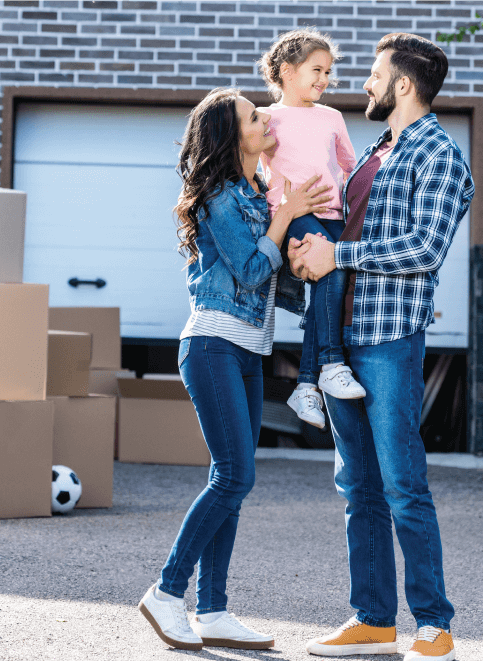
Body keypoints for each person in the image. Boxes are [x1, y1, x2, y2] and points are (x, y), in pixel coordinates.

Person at [289, 33, 474, 661]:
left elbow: (424, 250)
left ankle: (433, 623)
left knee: (401, 483)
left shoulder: (440, 156)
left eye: (373, 74)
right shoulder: (375, 149)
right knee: (357, 486)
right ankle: (372, 619)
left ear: (402, 84)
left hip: (388, 337)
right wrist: (308, 250)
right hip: (339, 337)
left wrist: (338, 253)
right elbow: (339, 228)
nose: (362, 84)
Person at [138, 87, 330, 652]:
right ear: (232, 136)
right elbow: (248, 272)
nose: (265, 117)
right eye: (253, 115)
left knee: (234, 481)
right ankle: (168, 592)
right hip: (213, 345)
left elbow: (275, 280)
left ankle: (214, 610)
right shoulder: (220, 196)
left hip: (247, 349)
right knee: (233, 476)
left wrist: (305, 252)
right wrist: (287, 217)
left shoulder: (257, 192)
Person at [257, 28, 366, 430]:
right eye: (316, 70)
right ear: (287, 71)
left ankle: (306, 385)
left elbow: (350, 168)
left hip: (333, 214)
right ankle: (332, 364)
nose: (324, 79)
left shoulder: (333, 117)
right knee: (330, 278)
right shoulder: (267, 118)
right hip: (294, 214)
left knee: (330, 287)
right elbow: (246, 160)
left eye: (328, 72)